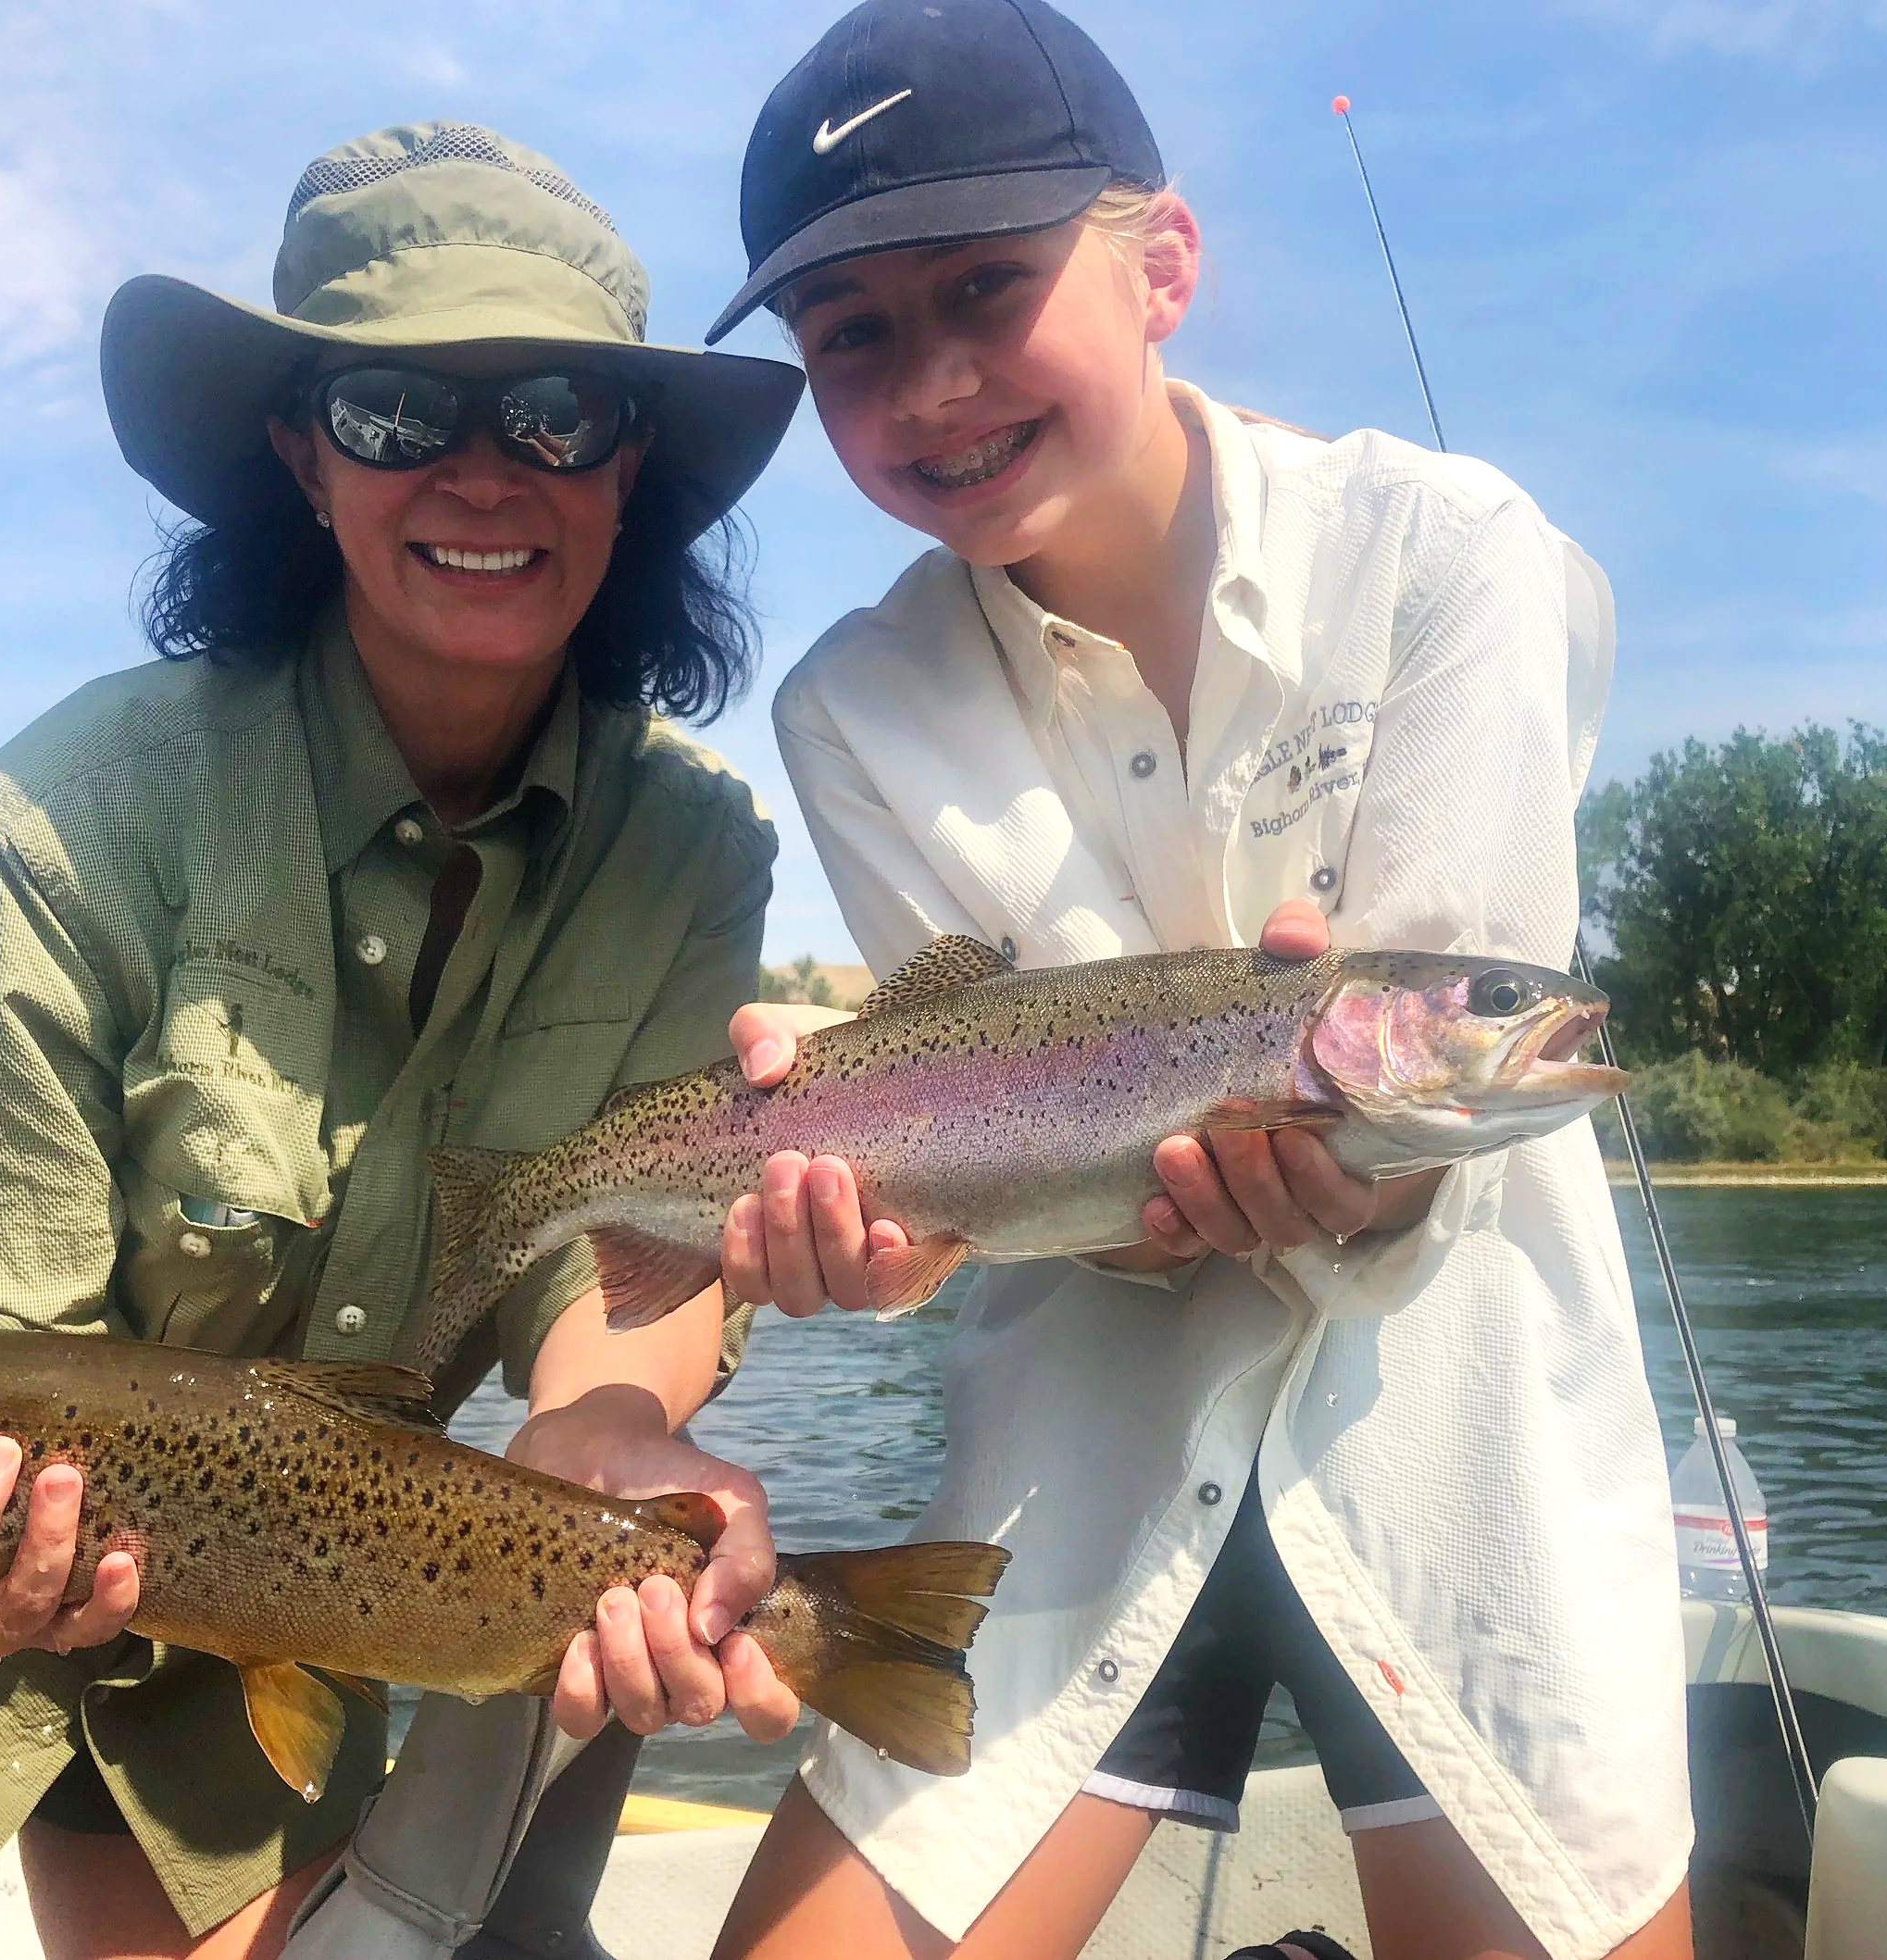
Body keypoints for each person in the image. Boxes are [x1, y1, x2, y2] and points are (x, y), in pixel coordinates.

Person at [0, 123, 806, 1960]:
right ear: (300, 453)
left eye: (556, 411)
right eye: (400, 415)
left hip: (289, 1580)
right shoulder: (63, 820)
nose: (483, 470)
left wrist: (602, 1418)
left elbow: (624, 1237)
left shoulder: (690, 844)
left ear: (625, 464)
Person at [694, 6, 1693, 1959]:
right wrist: (898, 1229)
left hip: (1460, 1453)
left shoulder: (1445, 553)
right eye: (851, 339)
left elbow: (1445, 1082)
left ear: (1162, 260)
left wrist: (1355, 1162)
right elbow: (1016, 1181)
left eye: (985, 285)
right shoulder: (849, 707)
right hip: (1080, 1464)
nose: (931, 382)